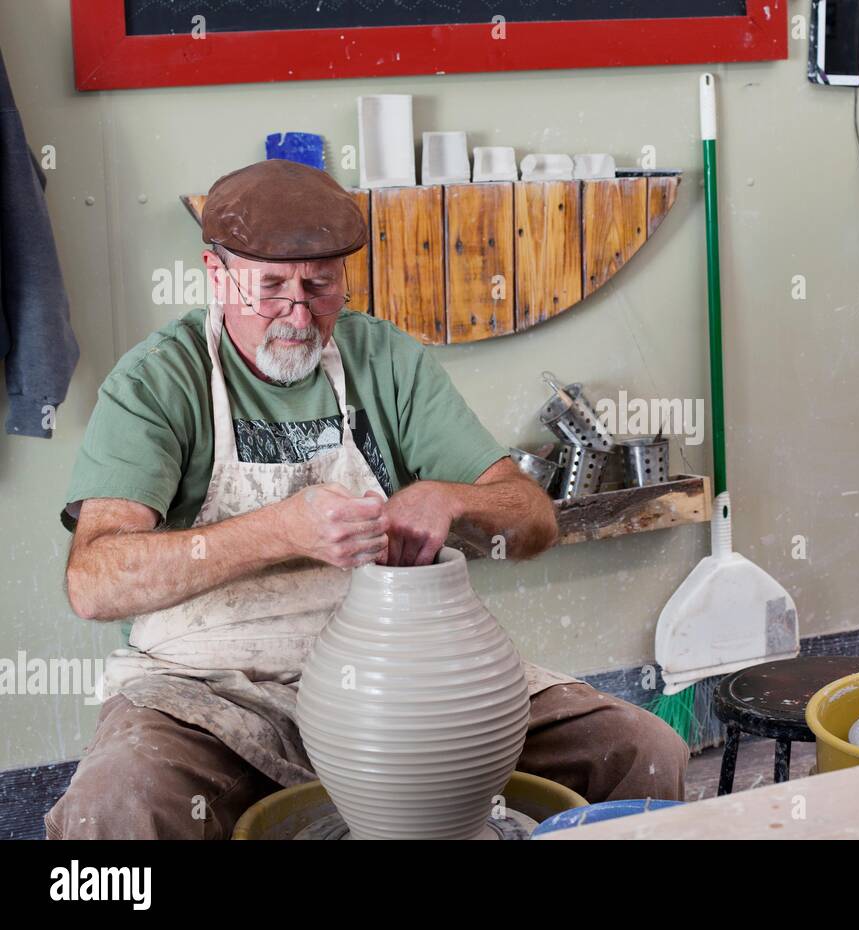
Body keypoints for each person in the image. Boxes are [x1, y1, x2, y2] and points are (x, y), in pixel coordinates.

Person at [45, 159, 687, 839]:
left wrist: (450, 499)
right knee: (113, 810)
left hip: (401, 680)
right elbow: (94, 582)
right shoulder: (159, 382)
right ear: (216, 274)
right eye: (271, 288)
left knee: (642, 752)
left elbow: (532, 521)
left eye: (320, 286)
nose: (297, 312)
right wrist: (281, 530)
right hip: (212, 691)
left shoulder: (385, 361)